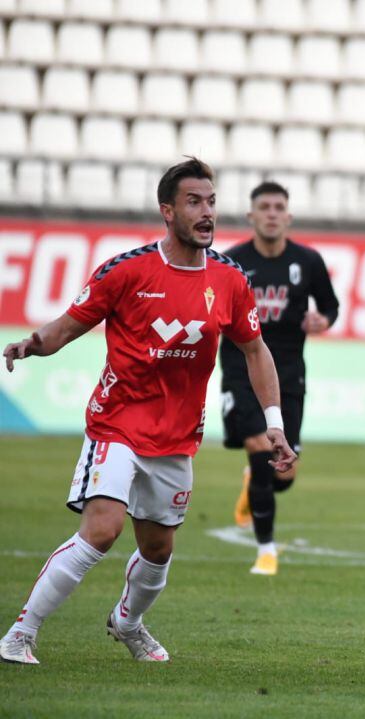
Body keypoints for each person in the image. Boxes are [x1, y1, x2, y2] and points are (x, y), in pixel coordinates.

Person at [0, 158, 296, 666]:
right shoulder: (127, 270)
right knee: (102, 529)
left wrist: (275, 425)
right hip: (117, 424)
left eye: (211, 202)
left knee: (158, 550)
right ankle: (19, 634)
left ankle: (128, 623)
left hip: (177, 436)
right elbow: (69, 325)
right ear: (167, 211)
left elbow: (255, 351)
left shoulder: (228, 279)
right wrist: (32, 344)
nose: (206, 213)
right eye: (193, 203)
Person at [222, 181, 339, 576]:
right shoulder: (231, 262)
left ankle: (251, 484)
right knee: (260, 448)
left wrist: (323, 319)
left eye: (278, 207)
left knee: (283, 473)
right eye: (264, 207)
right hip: (241, 372)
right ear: (252, 215)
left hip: (288, 375)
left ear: (287, 216)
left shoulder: (308, 261)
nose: (271, 213)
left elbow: (331, 306)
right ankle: (266, 550)